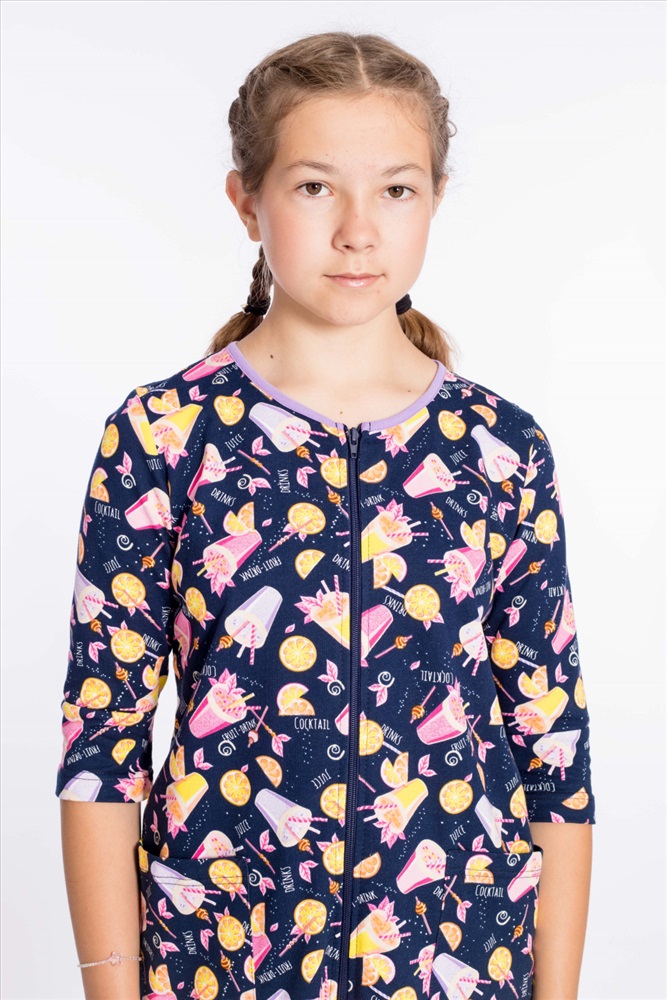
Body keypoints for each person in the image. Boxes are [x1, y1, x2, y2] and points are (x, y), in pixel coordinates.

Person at [56, 30, 596, 1000]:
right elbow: (103, 745)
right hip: (220, 961)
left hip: (456, 964)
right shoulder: (164, 435)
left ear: (434, 199)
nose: (358, 229)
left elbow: (552, 746)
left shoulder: (499, 448)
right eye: (314, 187)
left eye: (396, 190)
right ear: (246, 200)